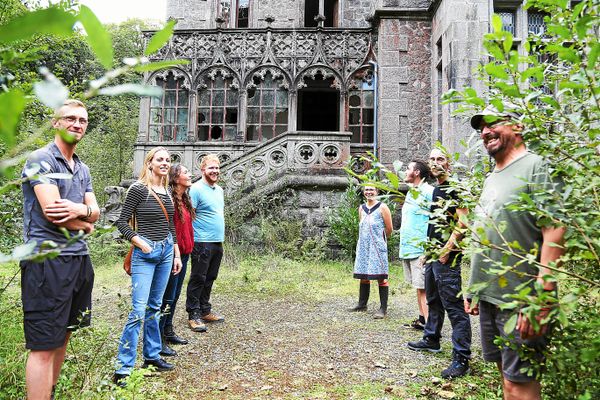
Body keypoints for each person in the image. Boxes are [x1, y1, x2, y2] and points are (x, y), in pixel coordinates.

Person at [466, 105, 565, 399]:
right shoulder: (492, 176)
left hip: (523, 299)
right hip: (491, 294)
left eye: (493, 123)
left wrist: (542, 297)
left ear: (518, 127)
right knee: (506, 380)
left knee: (520, 385)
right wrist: (475, 288)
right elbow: (488, 232)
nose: (485, 131)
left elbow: (555, 229)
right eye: (481, 127)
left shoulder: (537, 166)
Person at [20, 99, 99, 400]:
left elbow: (95, 210)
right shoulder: (41, 159)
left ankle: (48, 393)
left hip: (78, 260)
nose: (77, 124)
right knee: (43, 344)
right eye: (70, 118)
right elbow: (53, 212)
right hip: (46, 261)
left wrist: (82, 212)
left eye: (82, 120)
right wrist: (88, 221)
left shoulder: (82, 168)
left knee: (64, 333)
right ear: (55, 122)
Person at [113, 147, 182, 386]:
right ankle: (123, 368)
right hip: (145, 253)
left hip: (165, 252)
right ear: (150, 163)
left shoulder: (167, 191)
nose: (164, 163)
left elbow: (171, 225)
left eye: (168, 160)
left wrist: (176, 254)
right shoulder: (139, 189)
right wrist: (139, 242)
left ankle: (151, 357)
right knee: (137, 311)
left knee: (155, 306)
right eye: (160, 159)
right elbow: (121, 222)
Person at [407, 148, 472, 379]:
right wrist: (428, 251)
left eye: (441, 159)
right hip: (434, 254)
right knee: (433, 299)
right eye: (432, 159)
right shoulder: (436, 189)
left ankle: (461, 358)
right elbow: (436, 224)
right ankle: (431, 339)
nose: (436, 163)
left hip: (448, 257)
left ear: (449, 163)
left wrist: (446, 251)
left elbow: (463, 223)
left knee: (454, 308)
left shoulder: (456, 187)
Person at [186, 154, 225, 331]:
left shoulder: (220, 190)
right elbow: (188, 215)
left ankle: (204, 310)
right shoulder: (195, 189)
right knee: (198, 278)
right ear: (203, 170)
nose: (215, 171)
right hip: (201, 241)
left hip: (217, 241)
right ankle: (193, 314)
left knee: (210, 277)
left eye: (217, 168)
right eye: (211, 168)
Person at [158, 164, 195, 356]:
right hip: (173, 256)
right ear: (175, 177)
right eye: (186, 172)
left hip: (185, 254)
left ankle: (168, 330)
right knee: (166, 296)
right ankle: (159, 338)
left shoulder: (184, 199)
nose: (190, 175)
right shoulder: (169, 199)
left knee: (175, 296)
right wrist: (174, 254)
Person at [349, 185, 393, 319]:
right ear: (363, 192)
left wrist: (380, 240)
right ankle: (362, 304)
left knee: (380, 276)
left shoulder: (382, 207)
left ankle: (383, 309)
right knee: (363, 274)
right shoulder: (361, 208)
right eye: (366, 190)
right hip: (363, 246)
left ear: (377, 192)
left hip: (377, 246)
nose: (369, 192)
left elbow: (389, 228)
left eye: (371, 189)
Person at [399, 160, 434, 330]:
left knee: (424, 288)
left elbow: (437, 217)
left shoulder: (428, 191)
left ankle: (431, 330)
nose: (405, 171)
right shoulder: (412, 191)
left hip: (421, 248)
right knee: (418, 288)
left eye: (408, 168)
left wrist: (428, 248)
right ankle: (422, 320)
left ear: (417, 172)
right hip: (409, 247)